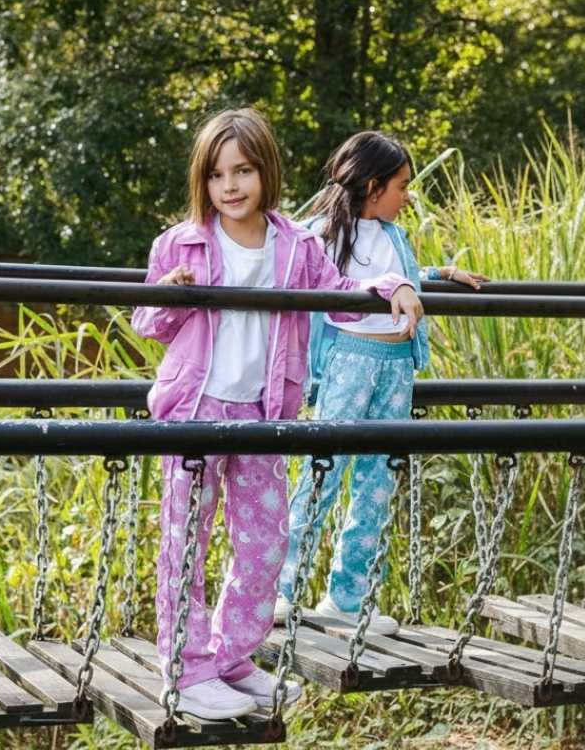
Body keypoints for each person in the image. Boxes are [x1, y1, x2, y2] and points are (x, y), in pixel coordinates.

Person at [132, 111, 423, 719]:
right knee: (187, 539)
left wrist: (392, 285)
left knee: (264, 544)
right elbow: (147, 324)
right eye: (216, 175)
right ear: (202, 182)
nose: (230, 186)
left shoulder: (295, 244)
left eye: (242, 171)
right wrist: (173, 293)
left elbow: (340, 295)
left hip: (265, 412)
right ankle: (186, 669)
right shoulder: (182, 242)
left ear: (266, 172)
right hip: (195, 409)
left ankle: (234, 659)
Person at [275, 131, 486, 635]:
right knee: (323, 472)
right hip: (349, 359)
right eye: (401, 185)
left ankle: (347, 599)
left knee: (376, 483)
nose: (407, 195)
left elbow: (399, 276)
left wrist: (440, 274)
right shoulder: (320, 234)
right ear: (372, 185)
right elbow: (339, 285)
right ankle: (281, 591)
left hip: (395, 365)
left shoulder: (393, 235)